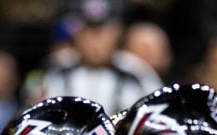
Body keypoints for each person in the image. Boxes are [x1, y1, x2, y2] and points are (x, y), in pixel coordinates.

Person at [24, 0, 161, 114]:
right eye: (88, 32)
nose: (95, 42)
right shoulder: (53, 68)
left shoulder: (137, 72)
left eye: (101, 33)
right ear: (76, 34)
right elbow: (28, 112)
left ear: (117, 33)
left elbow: (157, 116)